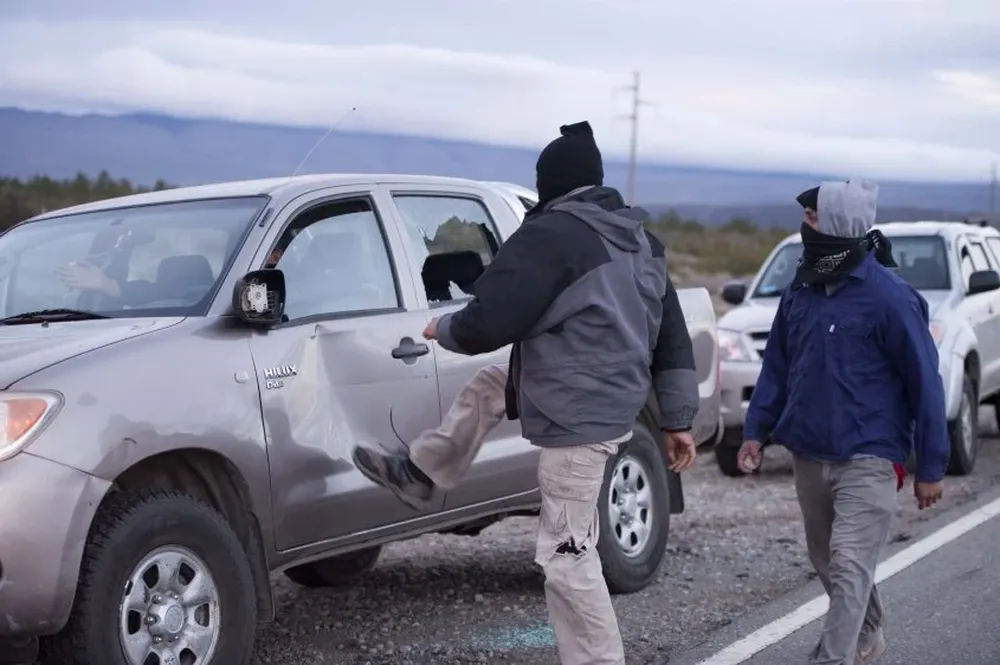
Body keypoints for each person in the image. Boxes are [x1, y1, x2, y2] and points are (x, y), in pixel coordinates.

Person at [352, 120, 700, 665]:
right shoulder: (639, 240)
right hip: (606, 399)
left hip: (576, 416)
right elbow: (673, 338)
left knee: (567, 554)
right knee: (490, 388)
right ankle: (423, 472)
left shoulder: (554, 235)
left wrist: (443, 329)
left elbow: (493, 319)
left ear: (550, 182)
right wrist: (677, 420)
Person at [737, 180, 950, 665]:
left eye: (812, 217)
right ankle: (868, 628)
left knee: (851, 561)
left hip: (871, 454)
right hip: (809, 450)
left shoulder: (891, 298)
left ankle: (831, 657)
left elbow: (925, 384)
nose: (805, 224)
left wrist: (931, 467)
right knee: (830, 562)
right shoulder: (801, 290)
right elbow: (778, 366)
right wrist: (756, 430)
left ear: (834, 224)